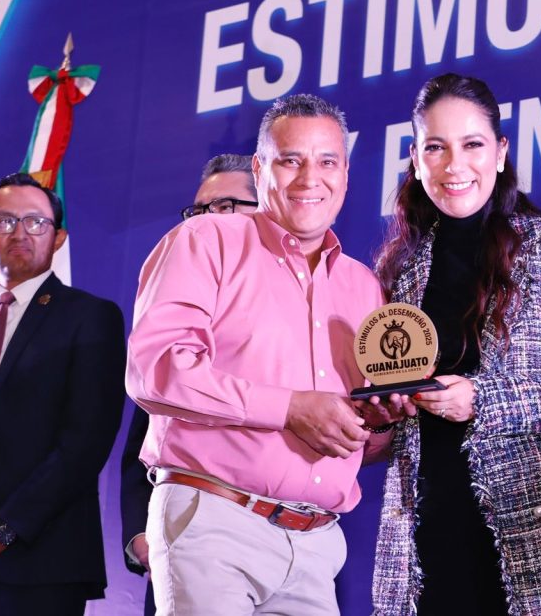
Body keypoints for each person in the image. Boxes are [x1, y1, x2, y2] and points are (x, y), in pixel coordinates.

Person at [368, 74, 541, 614]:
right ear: (415, 158)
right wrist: (384, 412)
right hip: (427, 548)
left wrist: (483, 400)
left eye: (472, 144)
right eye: (435, 147)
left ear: (501, 152)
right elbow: (394, 422)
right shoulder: (398, 272)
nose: (454, 165)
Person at [126, 95, 385, 615]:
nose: (310, 178)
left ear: (346, 174)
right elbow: (157, 370)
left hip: (317, 544)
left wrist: (381, 420)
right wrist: (290, 407)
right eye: (291, 160)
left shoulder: (363, 285)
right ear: (261, 168)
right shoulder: (205, 240)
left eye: (327, 161)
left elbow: (361, 439)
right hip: (215, 522)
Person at [0, 173, 125, 615]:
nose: (19, 233)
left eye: (35, 222)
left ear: (58, 238)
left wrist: (2, 532)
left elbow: (84, 444)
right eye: (4, 221)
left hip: (40, 564)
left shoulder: (90, 318)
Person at [119, 153, 257, 614]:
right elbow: (144, 441)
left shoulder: (304, 308)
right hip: (179, 541)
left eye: (223, 207)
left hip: (277, 537)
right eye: (196, 210)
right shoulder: (178, 310)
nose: (202, 222)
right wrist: (140, 533)